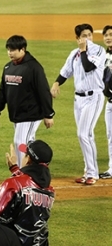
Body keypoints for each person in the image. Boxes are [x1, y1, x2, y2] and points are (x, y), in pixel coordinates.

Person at [51, 24, 106, 185]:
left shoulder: (98, 51)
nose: (87, 38)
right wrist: (56, 84)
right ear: (77, 38)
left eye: (89, 35)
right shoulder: (73, 54)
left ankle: (92, 173)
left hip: (93, 97)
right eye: (83, 36)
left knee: (84, 134)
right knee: (86, 136)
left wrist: (83, 50)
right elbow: (65, 72)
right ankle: (88, 171)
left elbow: (89, 67)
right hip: (78, 100)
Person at [0, 35, 55, 169]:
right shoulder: (8, 67)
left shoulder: (34, 67)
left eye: (13, 50)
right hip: (17, 114)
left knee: (19, 141)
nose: (10, 52)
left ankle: (23, 173)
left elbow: (43, 91)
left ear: (23, 49)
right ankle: (37, 166)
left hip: (31, 114)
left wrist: (48, 114)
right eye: (8, 49)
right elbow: (2, 90)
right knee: (27, 144)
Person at [99, 25, 112, 179]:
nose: (108, 37)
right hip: (109, 103)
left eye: (111, 34)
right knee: (110, 136)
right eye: (106, 35)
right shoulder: (104, 55)